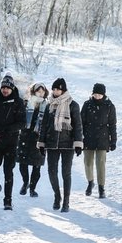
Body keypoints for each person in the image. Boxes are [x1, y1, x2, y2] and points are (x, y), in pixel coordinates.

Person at [37, 77, 83, 212]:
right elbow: (44, 125)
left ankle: (66, 202)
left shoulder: (73, 105)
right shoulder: (49, 105)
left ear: (63, 90)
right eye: (54, 89)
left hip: (68, 144)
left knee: (66, 173)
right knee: (52, 172)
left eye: (58, 89)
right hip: (51, 143)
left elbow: (78, 125)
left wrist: (78, 143)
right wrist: (41, 143)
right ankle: (57, 196)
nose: (55, 91)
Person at [0, 73, 26, 210]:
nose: (5, 90)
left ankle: (8, 200)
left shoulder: (18, 102)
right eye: (3, 87)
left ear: (12, 88)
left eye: (8, 88)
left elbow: (22, 123)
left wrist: (8, 129)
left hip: (10, 143)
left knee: (8, 171)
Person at [81, 82, 117, 199]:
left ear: (104, 94)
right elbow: (81, 123)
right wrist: (79, 139)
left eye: (99, 95)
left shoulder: (109, 106)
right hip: (88, 138)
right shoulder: (87, 105)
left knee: (100, 164)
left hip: (103, 138)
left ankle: (101, 188)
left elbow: (112, 125)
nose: (97, 96)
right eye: (95, 94)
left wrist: (113, 141)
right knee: (88, 163)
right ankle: (90, 182)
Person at [16, 82, 48, 197]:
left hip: (39, 139)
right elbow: (19, 118)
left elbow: (48, 123)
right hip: (25, 137)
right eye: (38, 91)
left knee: (37, 166)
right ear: (33, 92)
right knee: (22, 164)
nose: (40, 93)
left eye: (42, 91)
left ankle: (32, 188)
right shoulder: (26, 104)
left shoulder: (47, 106)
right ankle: (25, 183)